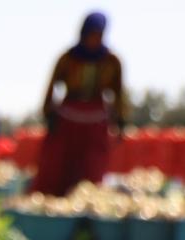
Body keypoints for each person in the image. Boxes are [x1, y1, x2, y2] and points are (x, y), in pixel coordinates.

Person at [30, 12, 126, 196]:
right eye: (91, 33)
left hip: (96, 122)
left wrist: (120, 119)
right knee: (59, 165)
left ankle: (86, 205)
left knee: (92, 167)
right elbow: (52, 87)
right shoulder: (67, 58)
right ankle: (54, 204)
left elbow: (118, 93)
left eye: (98, 34)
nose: (94, 38)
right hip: (68, 120)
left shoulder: (112, 61)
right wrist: (49, 113)